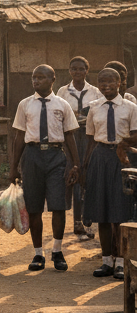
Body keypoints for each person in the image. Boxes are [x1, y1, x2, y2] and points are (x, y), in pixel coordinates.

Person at [9, 65, 81, 271]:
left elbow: (69, 135)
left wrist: (75, 164)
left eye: (41, 77)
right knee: (34, 207)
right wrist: (14, 166)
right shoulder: (24, 105)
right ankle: (38, 253)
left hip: (56, 156)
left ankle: (57, 251)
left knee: (58, 205)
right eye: (34, 77)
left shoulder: (62, 104)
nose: (36, 81)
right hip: (32, 156)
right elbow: (19, 136)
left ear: (53, 80)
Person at [83, 67, 137, 281]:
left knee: (121, 212)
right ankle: (107, 261)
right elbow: (90, 138)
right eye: (101, 82)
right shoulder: (94, 108)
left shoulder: (131, 108)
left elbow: (135, 136)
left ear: (119, 84)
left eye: (110, 82)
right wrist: (85, 167)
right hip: (100, 158)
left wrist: (122, 145)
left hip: (122, 159)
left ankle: (123, 263)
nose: (105, 85)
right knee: (102, 212)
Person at [56, 56, 99, 239]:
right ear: (69, 71)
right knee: (72, 174)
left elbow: (98, 113)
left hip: (89, 137)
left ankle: (86, 218)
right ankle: (75, 221)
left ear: (87, 70)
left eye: (81, 69)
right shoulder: (63, 91)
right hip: (70, 137)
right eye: (74, 69)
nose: (77, 72)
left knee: (87, 174)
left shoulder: (95, 92)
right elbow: (58, 113)